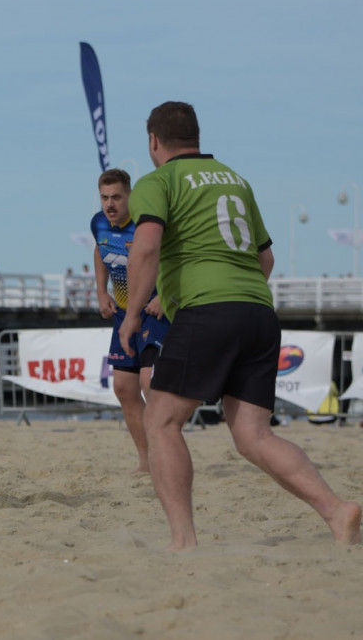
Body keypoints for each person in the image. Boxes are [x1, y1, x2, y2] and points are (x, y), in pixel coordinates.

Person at [119, 100, 360, 550]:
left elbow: (147, 248)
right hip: (258, 311)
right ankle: (336, 510)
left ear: (154, 141)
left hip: (208, 311)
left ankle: (183, 542)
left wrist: (132, 314)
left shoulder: (158, 181)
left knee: (161, 422)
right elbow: (265, 257)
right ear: (196, 137)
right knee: (253, 435)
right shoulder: (235, 180)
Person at [91, 168, 170, 474]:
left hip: (152, 311)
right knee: (124, 388)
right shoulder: (99, 222)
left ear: (130, 197)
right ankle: (147, 459)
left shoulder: (145, 224)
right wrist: (100, 291)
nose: (110, 204)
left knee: (149, 383)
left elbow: (173, 258)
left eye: (116, 197)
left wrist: (165, 295)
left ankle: (167, 445)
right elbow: (100, 250)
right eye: (104, 197)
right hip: (123, 313)